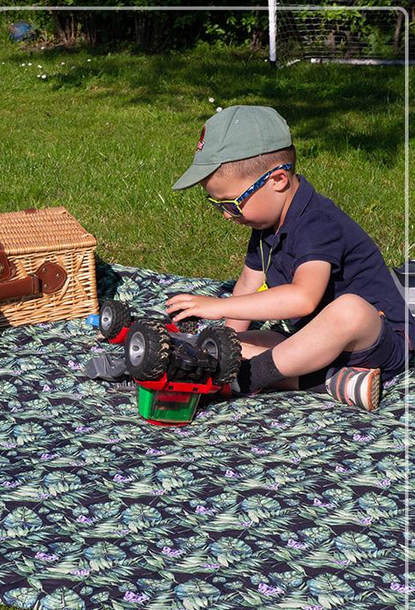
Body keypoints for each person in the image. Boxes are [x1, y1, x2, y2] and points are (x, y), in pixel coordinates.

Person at [166, 105, 413, 411]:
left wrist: (217, 306)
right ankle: (331, 381)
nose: (227, 215)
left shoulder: (317, 223)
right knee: (231, 346)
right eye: (218, 205)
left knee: (349, 309)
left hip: (377, 339)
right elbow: (247, 285)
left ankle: (246, 379)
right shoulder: (265, 225)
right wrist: (226, 341)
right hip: (314, 343)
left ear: (278, 180)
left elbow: (303, 299)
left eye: (231, 204)